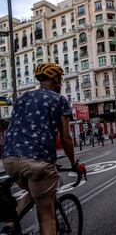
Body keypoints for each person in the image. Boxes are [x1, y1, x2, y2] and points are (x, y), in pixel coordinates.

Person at [1, 63, 84, 235]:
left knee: (35, 191)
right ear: (55, 80)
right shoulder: (59, 99)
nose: (61, 83)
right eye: (60, 79)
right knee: (47, 216)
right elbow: (66, 139)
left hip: (9, 159)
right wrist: (73, 163)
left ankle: (9, 226)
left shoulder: (23, 98)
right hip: (38, 161)